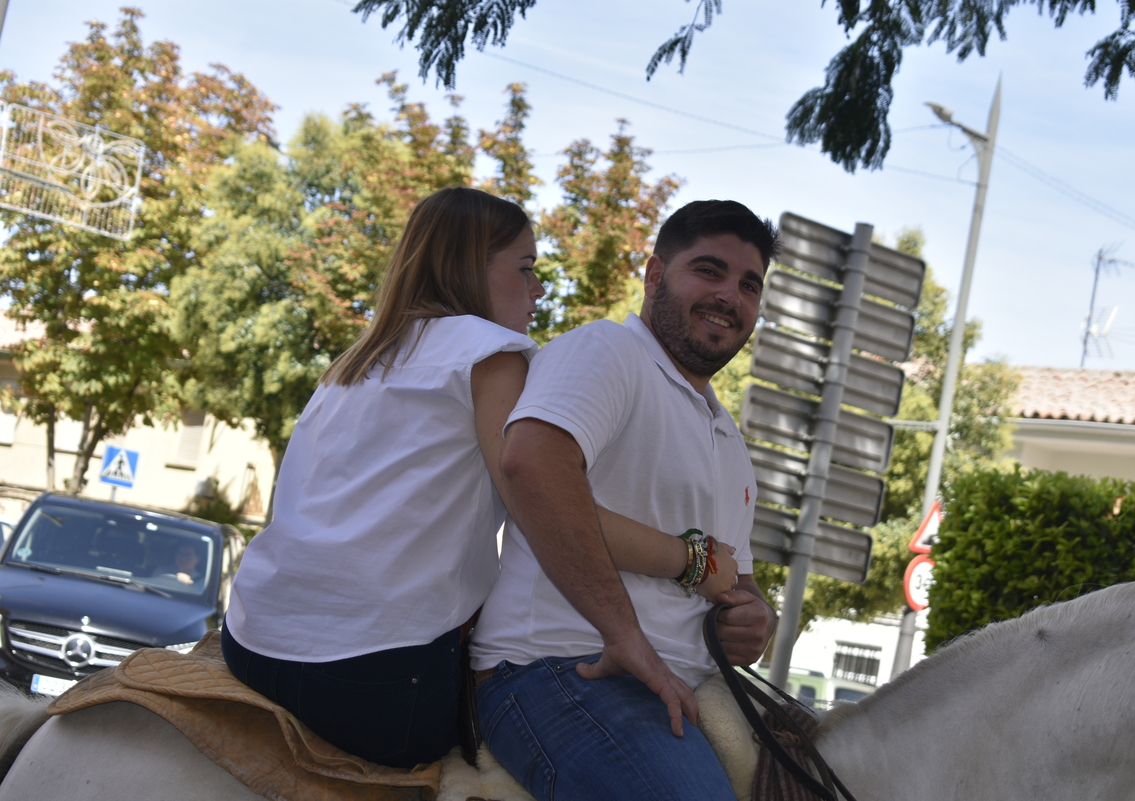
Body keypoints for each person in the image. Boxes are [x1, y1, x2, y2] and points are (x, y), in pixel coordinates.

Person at [220, 187, 739, 770]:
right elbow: (542, 502)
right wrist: (696, 561)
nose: (539, 289)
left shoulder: (356, 361)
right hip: (370, 668)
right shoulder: (493, 354)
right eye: (525, 269)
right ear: (468, 268)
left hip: (249, 637)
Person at [471, 199, 781, 801]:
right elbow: (532, 467)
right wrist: (627, 636)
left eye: (749, 285)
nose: (731, 296)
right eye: (709, 271)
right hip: (562, 668)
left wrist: (754, 620)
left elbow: (734, 580)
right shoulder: (608, 350)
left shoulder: (729, 439)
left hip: (668, 687)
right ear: (654, 275)